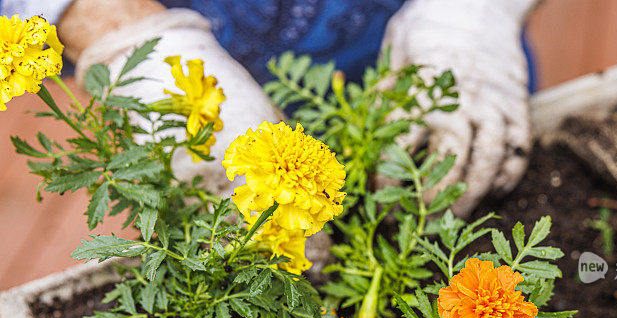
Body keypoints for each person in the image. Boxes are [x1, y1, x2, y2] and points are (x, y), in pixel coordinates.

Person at [1, 0, 540, 216]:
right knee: (227, 217)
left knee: (476, 155)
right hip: (193, 57)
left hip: (431, 38)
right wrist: (117, 31)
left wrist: (470, 13)